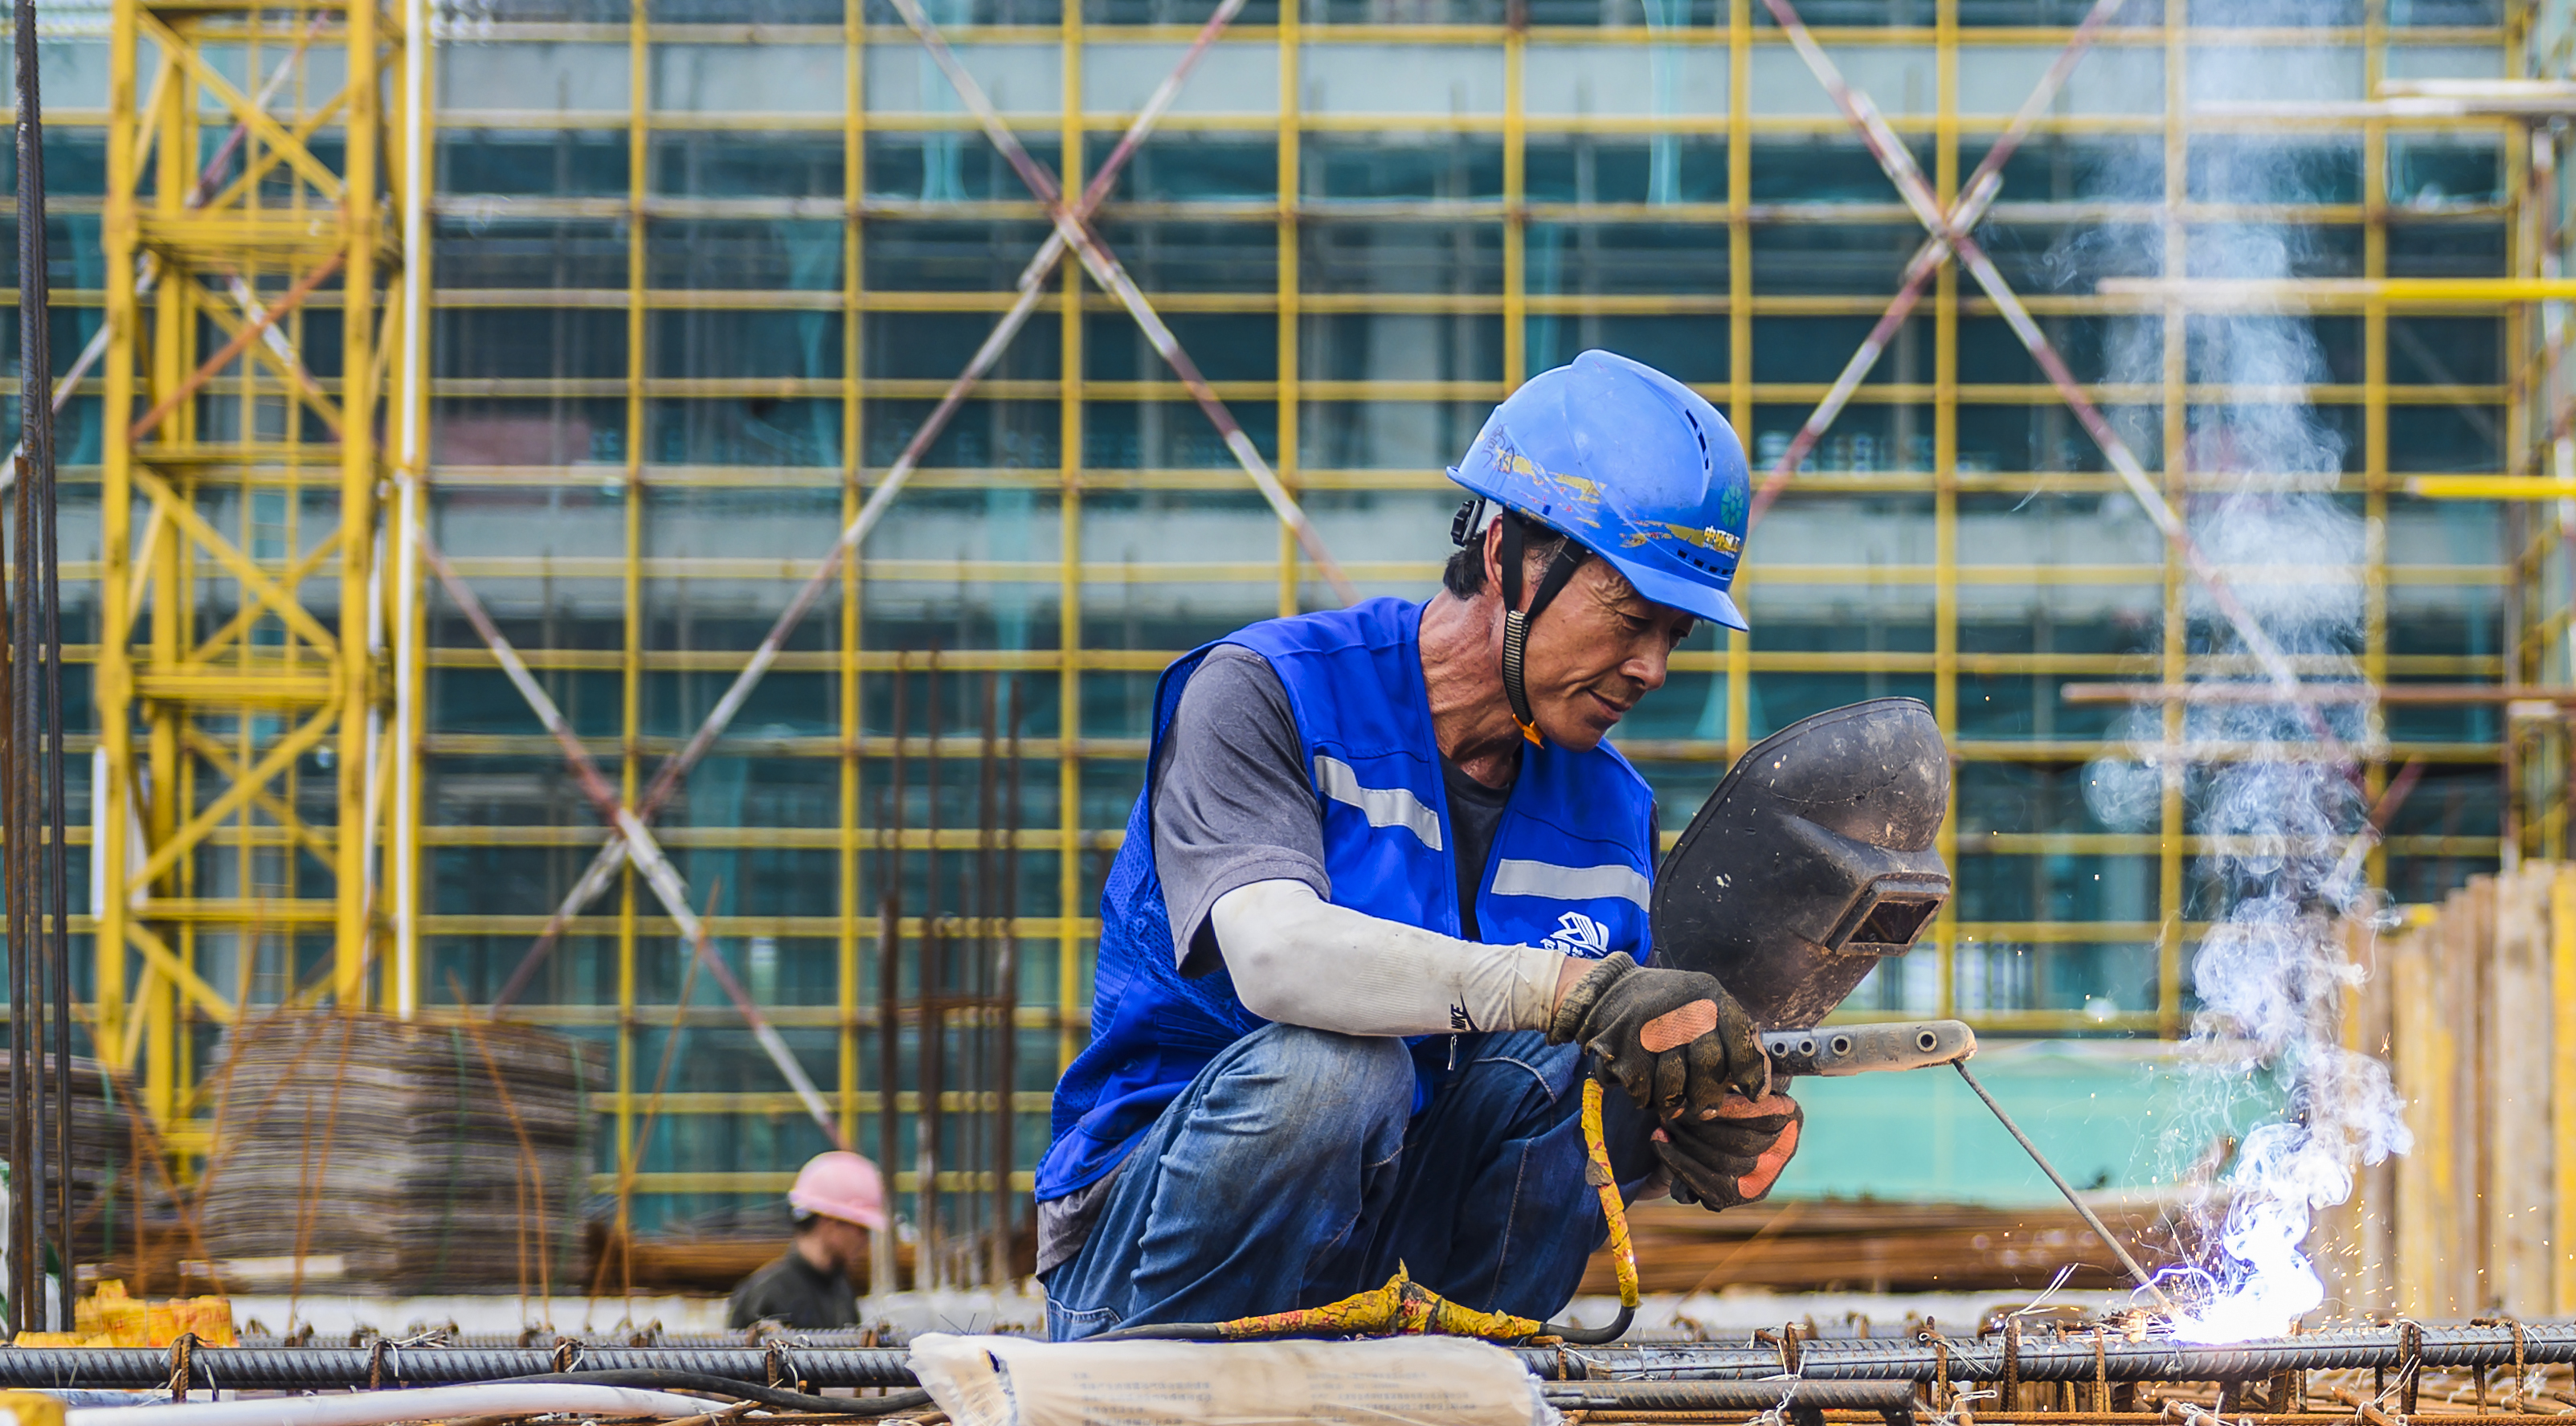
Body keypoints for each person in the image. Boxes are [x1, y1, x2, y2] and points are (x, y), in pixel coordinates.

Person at [1032, 353, 1804, 1339]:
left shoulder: (1612, 809)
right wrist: (1570, 993)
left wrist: (1681, 1132)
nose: (1652, 666)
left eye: (1676, 635)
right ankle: (1161, 1369)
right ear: (1508, 557)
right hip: (1149, 1252)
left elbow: (1549, 1108)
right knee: (1339, 1073)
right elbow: (1276, 958)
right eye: (1629, 617)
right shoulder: (1265, 694)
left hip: (1395, 1267)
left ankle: (1458, 1369)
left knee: (1577, 1075)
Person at [728, 1150, 888, 1331]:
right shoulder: (767, 1296)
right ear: (831, 1222)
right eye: (861, 1228)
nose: (865, 1240)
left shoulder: (840, 1289)